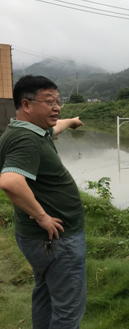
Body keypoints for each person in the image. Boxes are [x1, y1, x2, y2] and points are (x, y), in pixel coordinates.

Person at [0, 75, 86, 329]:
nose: (57, 107)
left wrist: (70, 122)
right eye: (49, 102)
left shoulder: (27, 130)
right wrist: (42, 216)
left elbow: (54, 128)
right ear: (26, 105)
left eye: (58, 102)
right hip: (57, 238)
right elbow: (10, 182)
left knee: (46, 294)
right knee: (68, 310)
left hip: (40, 239)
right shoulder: (26, 140)